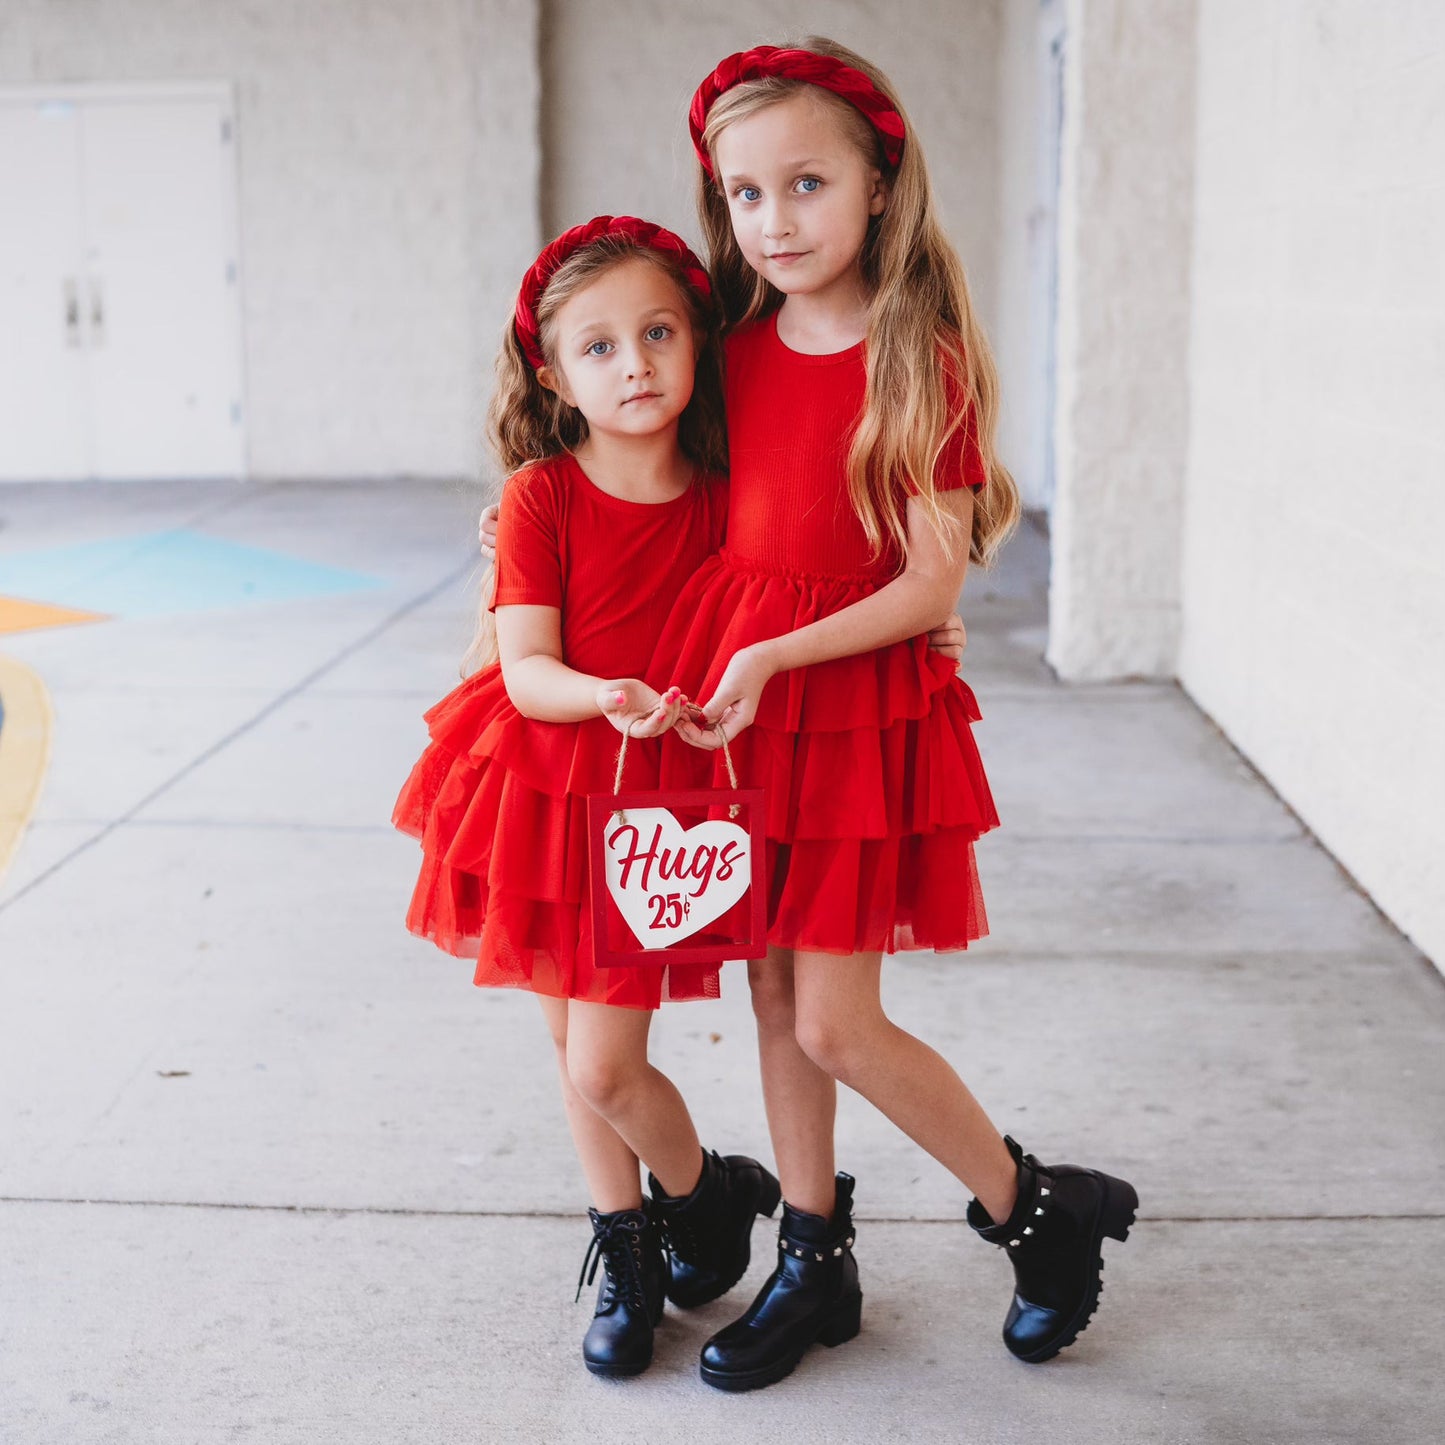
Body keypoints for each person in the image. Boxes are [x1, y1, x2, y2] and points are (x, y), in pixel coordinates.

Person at [646, 39, 1138, 1392]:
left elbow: (927, 571)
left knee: (836, 1020)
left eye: (806, 182)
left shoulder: (914, 352)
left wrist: (780, 653)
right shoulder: (731, 352)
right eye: (745, 194)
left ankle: (1036, 1210)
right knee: (765, 984)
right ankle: (814, 1254)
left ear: (879, 184)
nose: (775, 218)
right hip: (740, 709)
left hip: (850, 715)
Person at [392, 216, 781, 1380]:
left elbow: (804, 586)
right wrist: (601, 692)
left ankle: (705, 1198)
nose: (636, 363)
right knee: (576, 1050)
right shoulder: (539, 498)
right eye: (599, 346)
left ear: (698, 345)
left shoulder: (729, 495)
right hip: (552, 781)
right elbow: (523, 666)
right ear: (554, 374)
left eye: (657, 332)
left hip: (665, 802)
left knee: (602, 1065)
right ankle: (647, 1238)